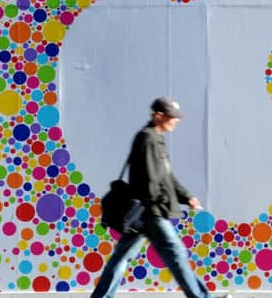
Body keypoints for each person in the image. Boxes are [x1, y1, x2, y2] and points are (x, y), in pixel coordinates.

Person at [91, 97, 231, 298]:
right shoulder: (147, 139)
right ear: (158, 116)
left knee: (122, 257)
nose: (176, 120)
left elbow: (167, 176)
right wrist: (163, 203)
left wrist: (186, 197)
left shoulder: (155, 139)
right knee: (176, 254)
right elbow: (150, 180)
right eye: (172, 116)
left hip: (145, 213)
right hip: (151, 212)